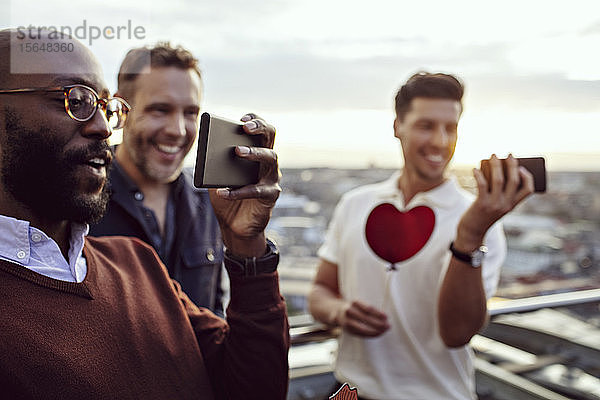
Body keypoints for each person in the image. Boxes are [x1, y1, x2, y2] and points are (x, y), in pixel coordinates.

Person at [0, 29, 288, 399]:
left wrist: (248, 248)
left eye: (105, 108)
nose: (103, 127)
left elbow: (251, 385)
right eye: (74, 99)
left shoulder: (137, 261)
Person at [308, 72, 534, 399]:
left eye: (450, 128)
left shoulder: (481, 221)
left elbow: (457, 333)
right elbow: (320, 291)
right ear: (397, 125)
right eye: (426, 126)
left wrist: (470, 235)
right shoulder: (354, 204)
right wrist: (338, 312)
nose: (441, 142)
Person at [89, 43, 225, 315]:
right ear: (121, 109)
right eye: (160, 110)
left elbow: (215, 311)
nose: (177, 130)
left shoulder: (209, 204)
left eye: (190, 113)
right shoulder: (80, 202)